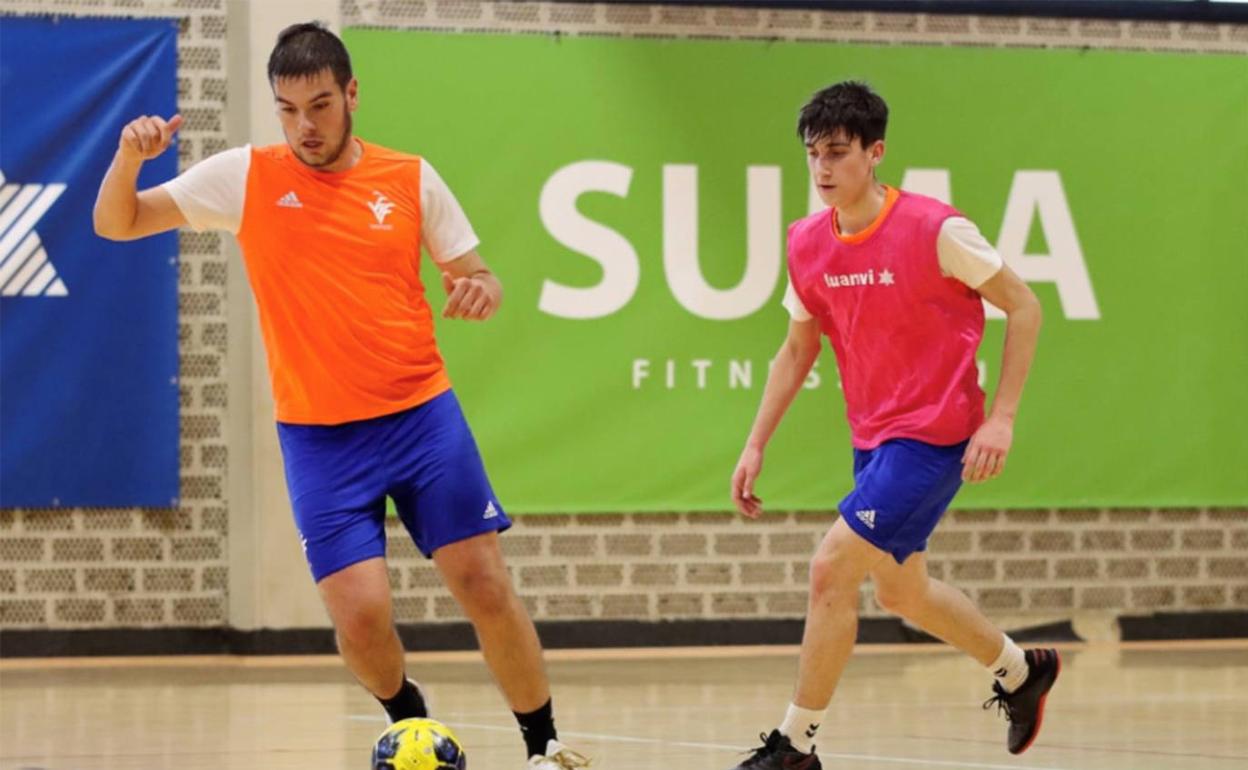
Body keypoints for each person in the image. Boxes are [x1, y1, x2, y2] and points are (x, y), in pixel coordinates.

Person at [93, 21, 590, 770]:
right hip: (321, 438)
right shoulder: (246, 177)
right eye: (288, 109)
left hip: (422, 416)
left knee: (482, 579)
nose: (305, 126)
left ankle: (543, 745)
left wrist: (482, 290)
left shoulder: (410, 178)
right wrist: (128, 158)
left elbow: (479, 272)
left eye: (320, 105)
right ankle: (408, 717)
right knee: (360, 619)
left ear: (352, 93)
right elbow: (117, 222)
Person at [727, 81, 1056, 770]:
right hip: (873, 438)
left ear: (875, 153)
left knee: (829, 571)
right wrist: (756, 442)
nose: (822, 168)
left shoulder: (937, 229)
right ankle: (1022, 671)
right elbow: (797, 348)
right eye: (813, 154)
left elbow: (1023, 308)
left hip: (936, 436)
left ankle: (796, 746)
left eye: (838, 153)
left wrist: (1002, 418)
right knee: (902, 592)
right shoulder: (807, 243)